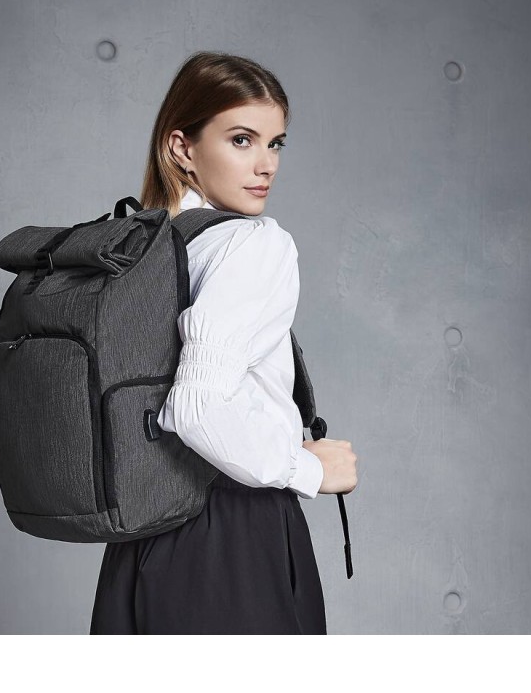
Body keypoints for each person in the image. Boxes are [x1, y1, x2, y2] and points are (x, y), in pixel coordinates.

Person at [89, 50, 358, 635]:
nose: (266, 165)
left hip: (141, 534)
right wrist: (307, 469)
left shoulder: (138, 247)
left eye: (275, 144)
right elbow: (196, 407)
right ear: (182, 148)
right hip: (232, 534)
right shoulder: (254, 244)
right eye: (241, 140)